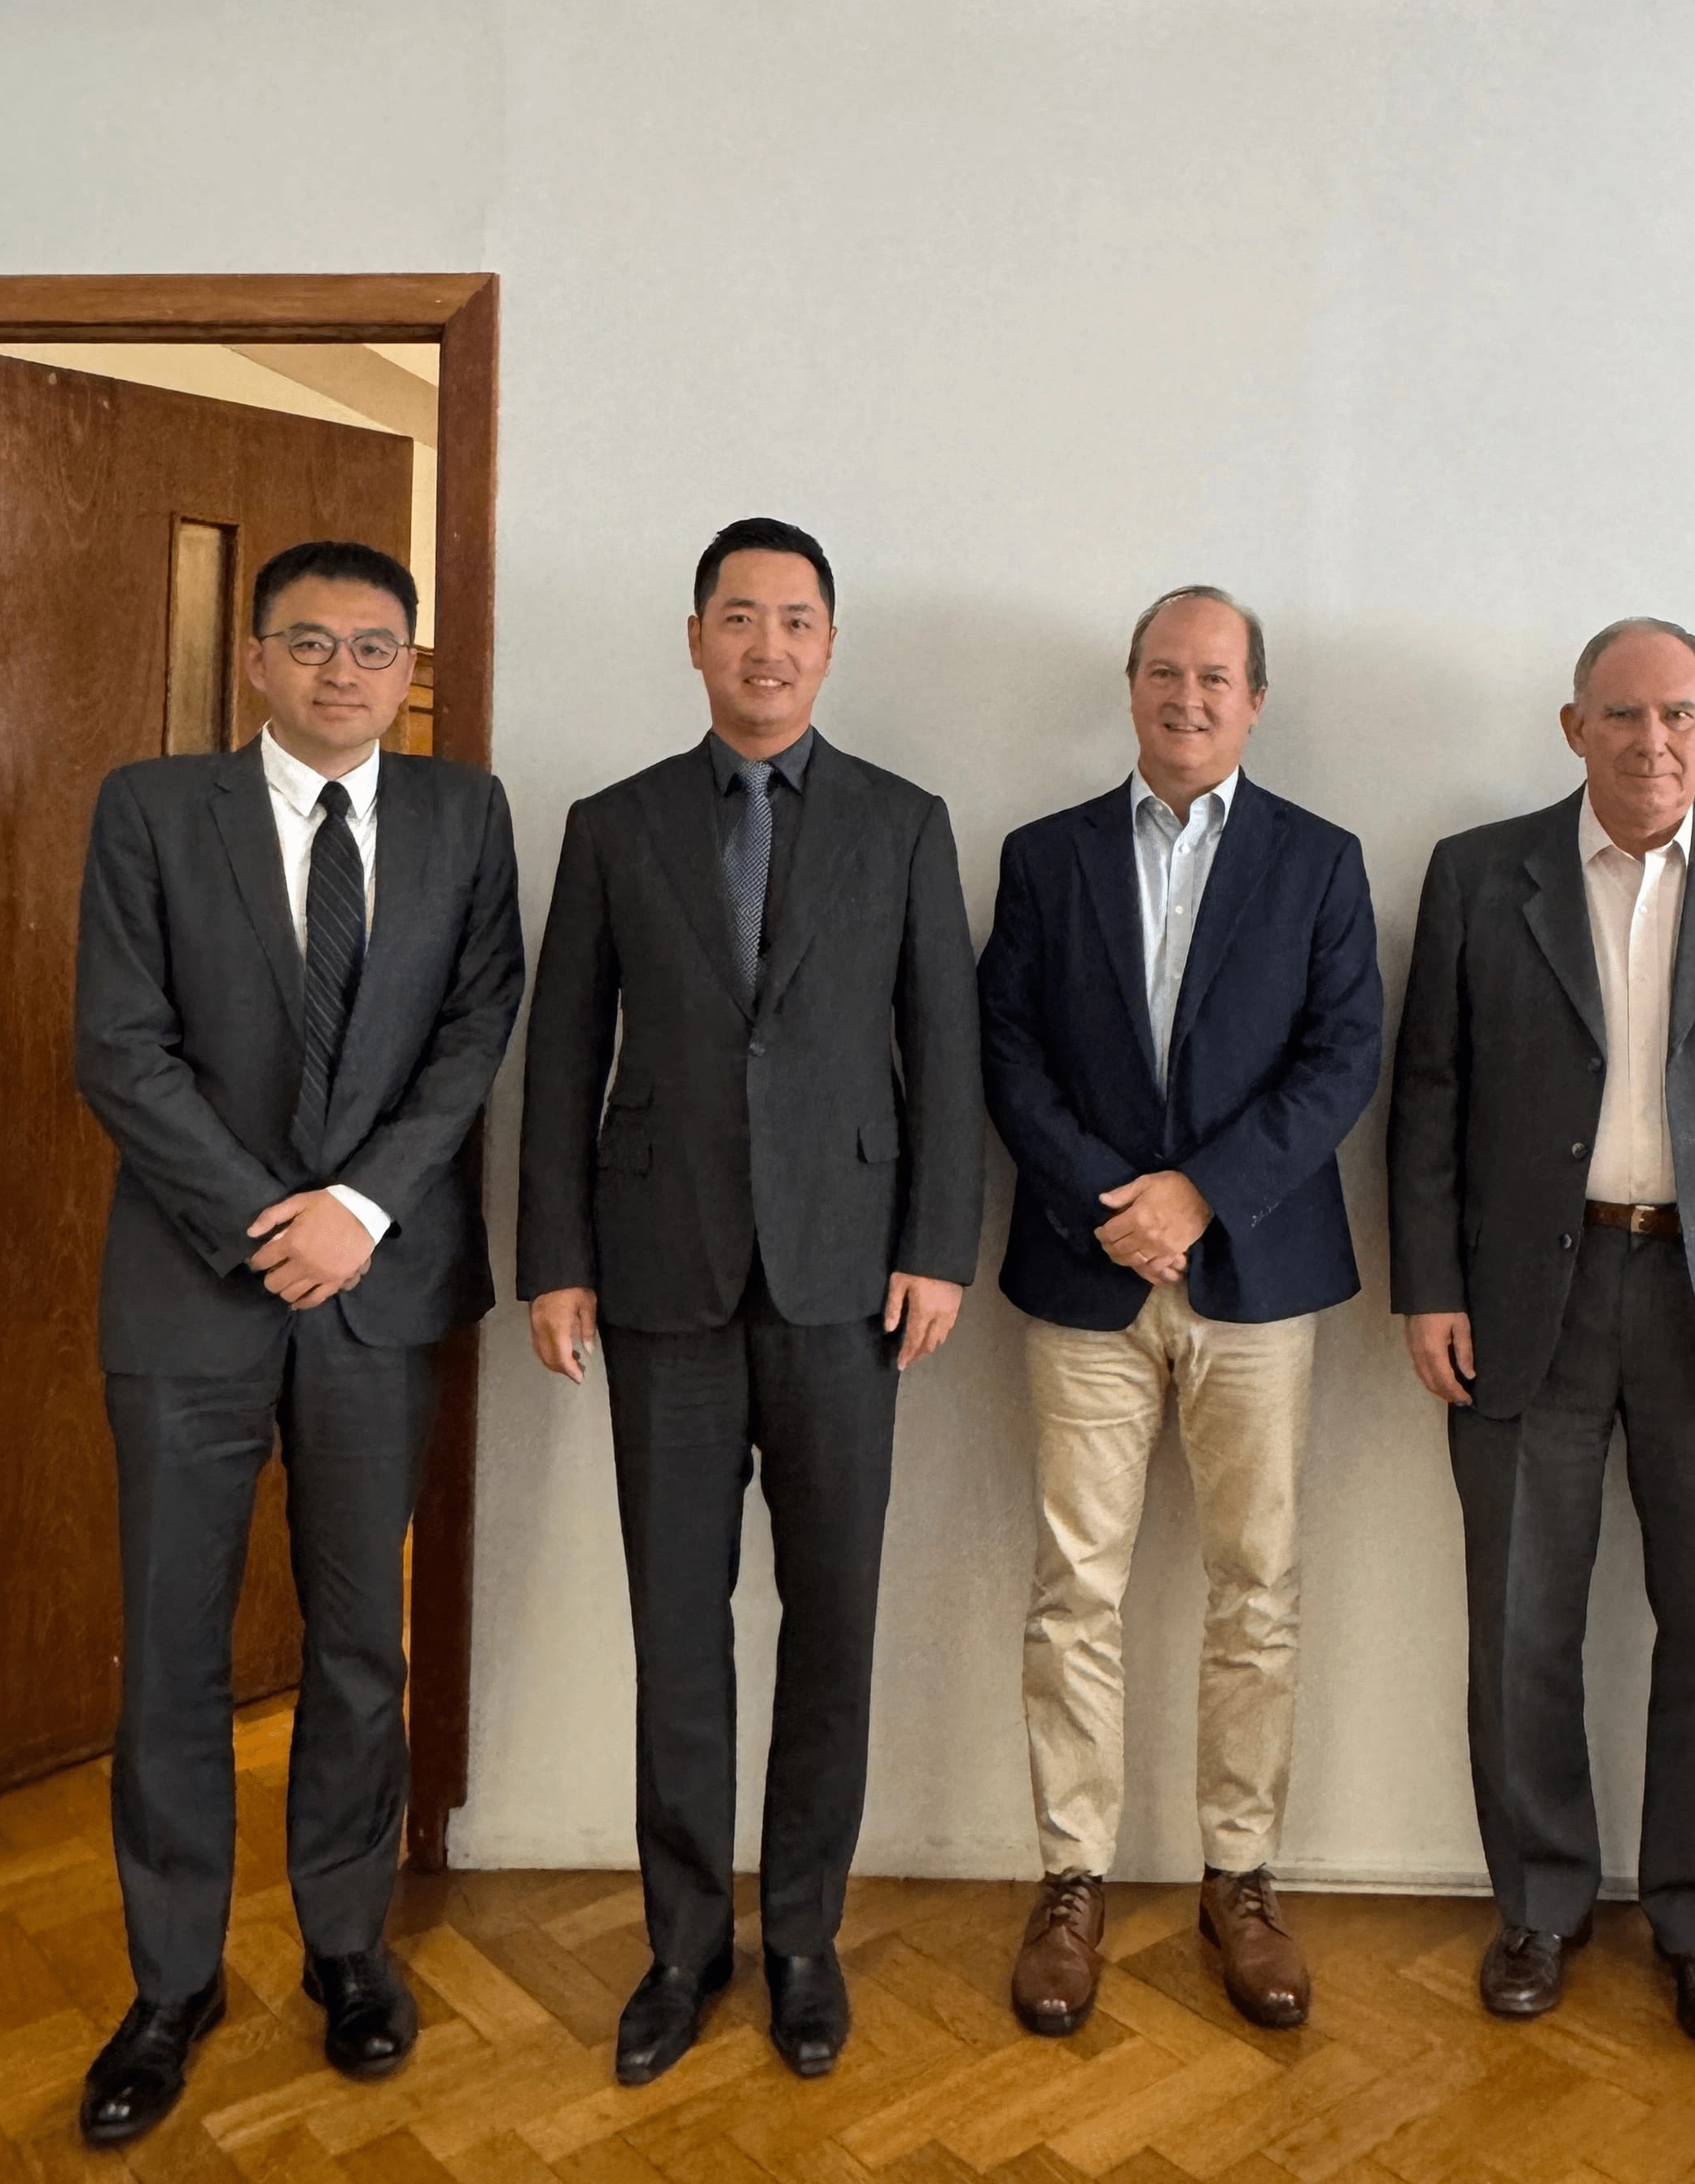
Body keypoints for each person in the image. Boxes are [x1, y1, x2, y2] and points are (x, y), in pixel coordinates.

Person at [518, 516, 982, 2082]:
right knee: (678, 1624)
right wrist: (556, 1257)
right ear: (696, 638)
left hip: (851, 1282)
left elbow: (945, 1046)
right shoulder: (614, 823)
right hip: (660, 1276)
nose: (766, 646)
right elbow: (563, 1051)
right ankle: (679, 1946)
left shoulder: (905, 822)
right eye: (738, 617)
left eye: (794, 620)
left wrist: (937, 1243)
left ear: (829, 645)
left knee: (833, 1621)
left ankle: (800, 1938)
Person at [71, 541, 523, 2144]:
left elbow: (476, 1029)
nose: (345, 672)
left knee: (355, 1643)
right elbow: (119, 1048)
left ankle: (346, 1946)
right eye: (312, 643)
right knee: (174, 1651)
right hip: (190, 1290)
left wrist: (362, 1212)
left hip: (378, 1294)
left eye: (375, 647)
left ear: (410, 670)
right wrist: (273, 1220)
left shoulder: (466, 815)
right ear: (257, 658)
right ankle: (171, 1983)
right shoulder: (151, 809)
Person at [1387, 616, 1695, 2051]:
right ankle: (1540, 1904)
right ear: (1574, 727)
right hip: (1526, 1294)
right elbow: (1429, 1094)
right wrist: (1429, 1284)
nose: (1650, 740)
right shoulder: (1482, 873)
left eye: (1676, 714)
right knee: (1521, 1621)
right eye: (1621, 714)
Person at [978, 585, 1382, 2035]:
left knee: (1256, 1584)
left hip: (1256, 1276)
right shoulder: (1046, 856)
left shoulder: (1320, 859)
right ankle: (1071, 1877)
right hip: (1086, 1270)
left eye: (1216, 676)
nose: (1189, 696)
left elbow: (1343, 1059)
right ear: (1132, 684)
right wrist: (1120, 1200)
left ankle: (1240, 1875)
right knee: (1073, 1588)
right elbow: (1007, 1051)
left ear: (1254, 698)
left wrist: (1201, 1194)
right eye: (1166, 671)